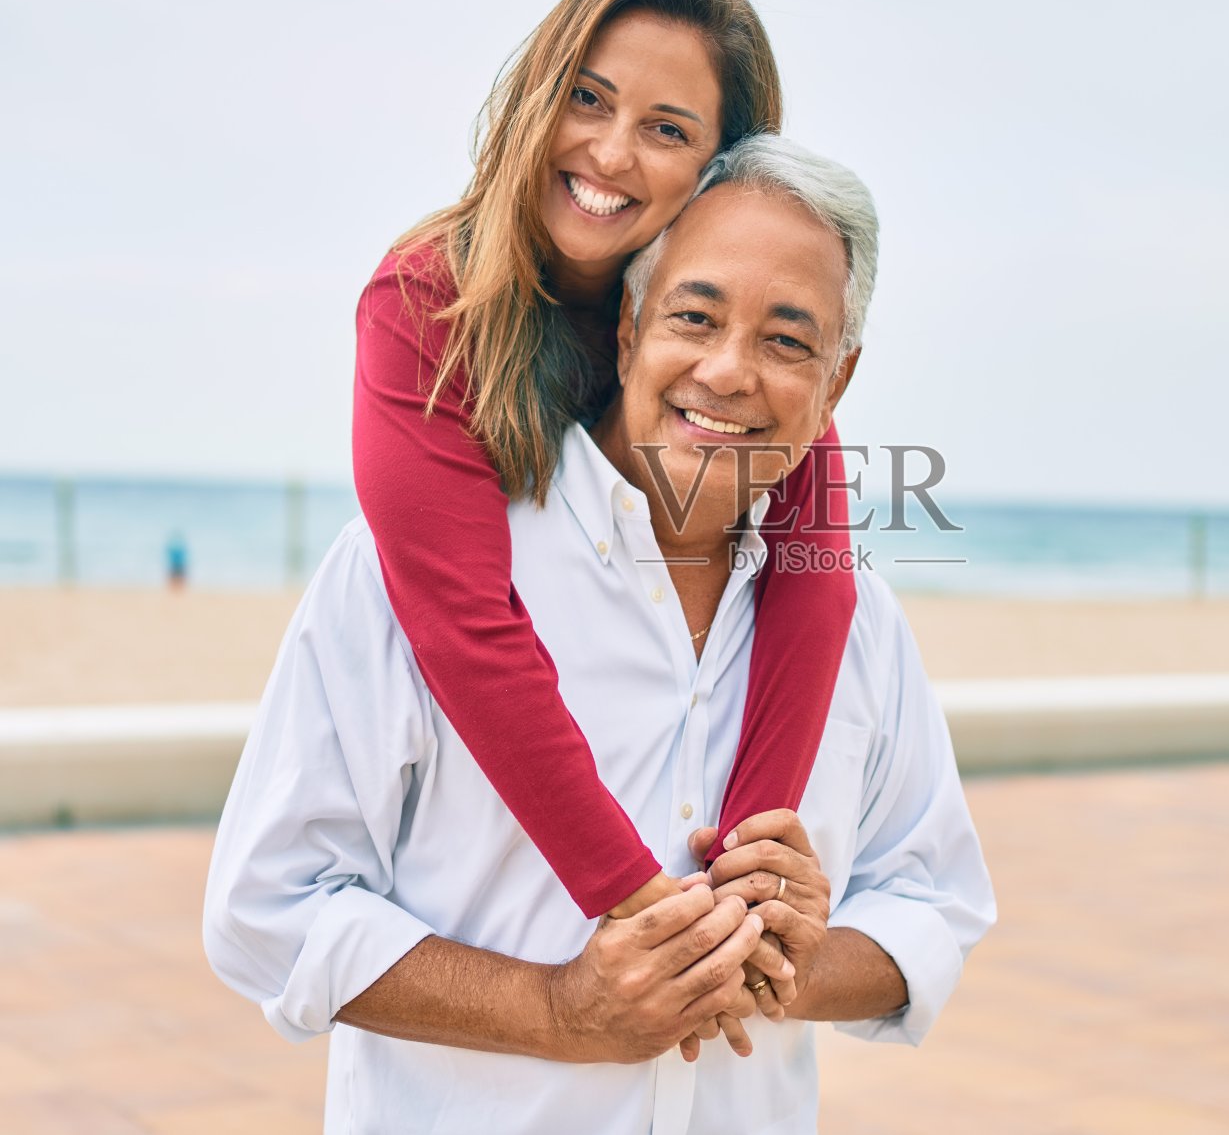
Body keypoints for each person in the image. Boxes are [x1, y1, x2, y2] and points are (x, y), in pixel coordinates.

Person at [205, 137, 995, 1133]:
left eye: (788, 342)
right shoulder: (420, 571)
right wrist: (557, 1011)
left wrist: (794, 958)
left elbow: (931, 906)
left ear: (837, 384)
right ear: (625, 330)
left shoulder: (860, 622)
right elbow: (269, 912)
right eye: (694, 317)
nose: (726, 371)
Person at [354, 0, 857, 934]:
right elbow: (464, 624)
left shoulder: (723, 344)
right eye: (588, 99)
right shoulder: (425, 297)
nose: (612, 153)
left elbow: (813, 572)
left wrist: (745, 876)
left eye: (664, 129)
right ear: (540, 98)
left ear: (717, 170)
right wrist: (633, 903)